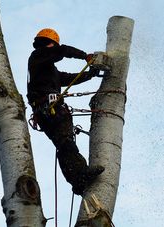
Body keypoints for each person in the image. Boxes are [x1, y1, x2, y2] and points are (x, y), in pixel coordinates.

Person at [27, 28, 104, 195]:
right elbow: (62, 51)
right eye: (53, 46)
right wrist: (85, 56)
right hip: (49, 110)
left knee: (63, 144)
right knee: (65, 143)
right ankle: (80, 173)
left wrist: (90, 74)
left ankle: (76, 180)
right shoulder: (38, 56)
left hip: (48, 111)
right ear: (49, 44)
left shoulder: (47, 69)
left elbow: (68, 78)